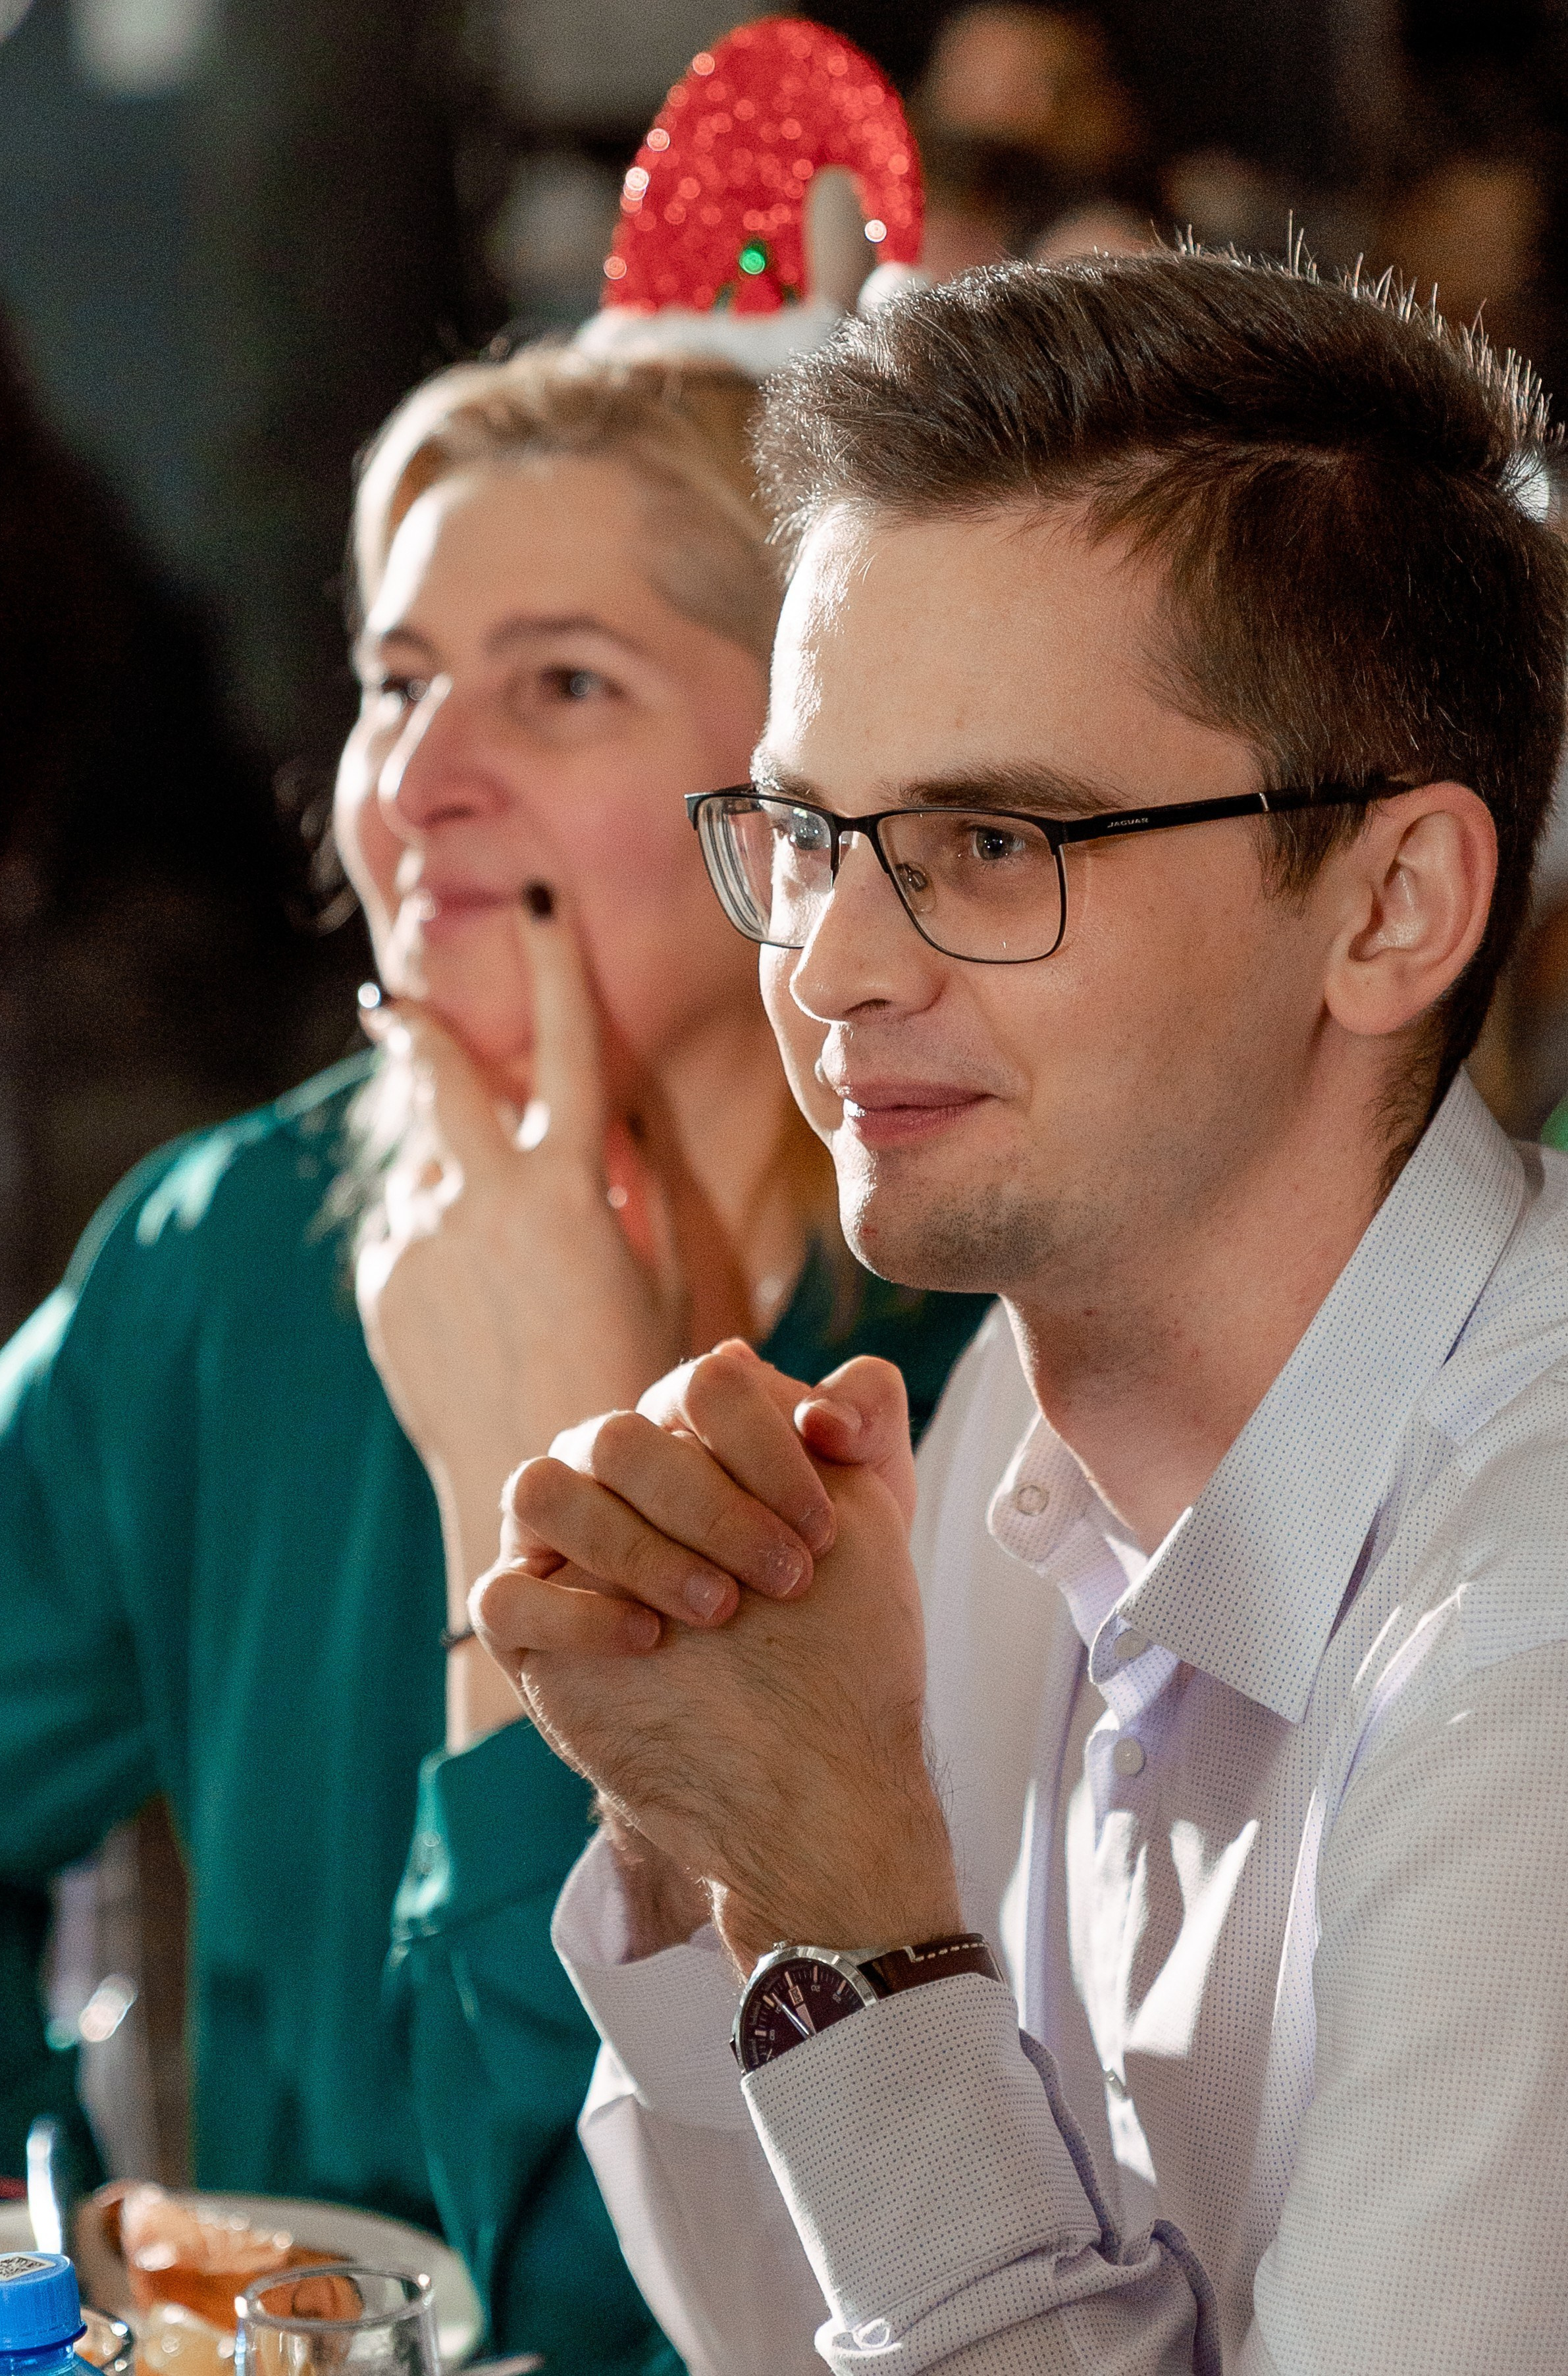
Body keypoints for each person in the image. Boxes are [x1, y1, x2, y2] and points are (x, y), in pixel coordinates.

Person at [413, 255, 1568, 2373]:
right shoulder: (982, 1482)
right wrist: (709, 1840)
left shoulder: (1535, 1658)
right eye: (810, 830)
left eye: (990, 836)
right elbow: (801, 2341)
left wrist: (853, 1925)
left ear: (1396, 903)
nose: (834, 962)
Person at [0, 339, 987, 2373]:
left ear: (803, 787)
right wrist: (35, 2249)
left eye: (561, 684)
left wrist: (520, 1464)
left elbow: (641, 2282)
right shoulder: (229, 1254)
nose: (418, 772)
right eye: (396, 678)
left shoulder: (987, 1332)